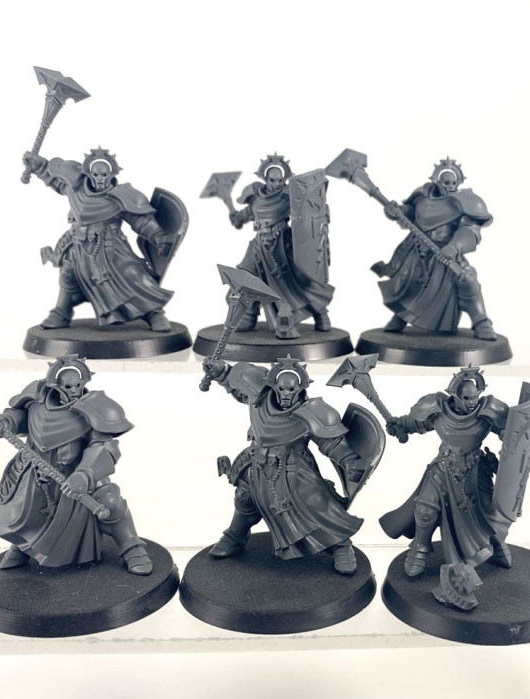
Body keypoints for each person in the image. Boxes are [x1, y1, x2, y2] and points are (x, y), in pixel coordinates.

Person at [0, 356, 152, 574]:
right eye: (69, 387)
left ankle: (132, 547)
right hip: (36, 469)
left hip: (77, 473)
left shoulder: (96, 407)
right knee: (23, 507)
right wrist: (4, 422)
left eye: (78, 385)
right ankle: (24, 546)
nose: (74, 390)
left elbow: (104, 446)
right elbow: (20, 417)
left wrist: (85, 474)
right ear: (55, 384)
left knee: (110, 501)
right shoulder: (36, 399)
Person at [202, 356, 376, 574]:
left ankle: (340, 545)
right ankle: (235, 536)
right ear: (273, 385)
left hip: (295, 467)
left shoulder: (313, 413)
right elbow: (235, 383)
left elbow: (332, 444)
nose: (286, 394)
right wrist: (219, 370)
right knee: (245, 499)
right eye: (282, 389)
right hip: (257, 461)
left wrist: (349, 461)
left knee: (317, 505)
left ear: (301, 388)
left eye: (291, 390)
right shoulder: (258, 397)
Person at [379, 366, 511, 610]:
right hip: (444, 466)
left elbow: (510, 431)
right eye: (467, 397)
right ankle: (419, 548)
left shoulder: (488, 412)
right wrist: (399, 425)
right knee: (425, 509)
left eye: (475, 396)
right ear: (455, 396)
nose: (472, 402)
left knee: (489, 510)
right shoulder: (437, 410)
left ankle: (496, 543)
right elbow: (415, 423)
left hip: (475, 469)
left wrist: (512, 440)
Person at [22, 147, 174, 332]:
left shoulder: (121, 197)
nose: (100, 179)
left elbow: (141, 221)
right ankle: (61, 313)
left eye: (104, 175)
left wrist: (158, 236)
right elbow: (54, 179)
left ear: (112, 174)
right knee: (68, 275)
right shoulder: (75, 189)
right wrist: (38, 165)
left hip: (111, 247)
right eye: (96, 175)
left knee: (133, 274)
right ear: (88, 173)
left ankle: (155, 313)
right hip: (79, 244)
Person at [374, 158, 497, 340]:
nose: (450, 186)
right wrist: (396, 211)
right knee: (410, 283)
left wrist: (454, 246)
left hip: (447, 252)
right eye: (446, 182)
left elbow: (471, 231)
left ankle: (481, 322)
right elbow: (408, 214)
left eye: (453, 183)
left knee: (467, 279)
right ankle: (401, 317)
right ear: (437, 181)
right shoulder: (423, 197)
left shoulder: (465, 202)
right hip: (418, 251)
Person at [229, 154, 334, 339]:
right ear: (265, 178)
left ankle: (320, 313)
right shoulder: (256, 197)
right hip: (258, 246)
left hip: (282, 246)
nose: (276, 184)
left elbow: (308, 211)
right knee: (245, 278)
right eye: (272, 180)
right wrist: (235, 216)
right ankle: (248, 316)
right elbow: (243, 217)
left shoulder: (288, 197)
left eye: (280, 180)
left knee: (299, 282)